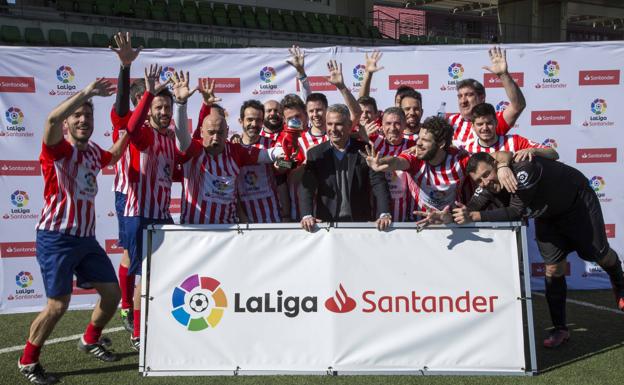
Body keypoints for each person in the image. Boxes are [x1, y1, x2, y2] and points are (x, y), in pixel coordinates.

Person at [18, 79, 128, 384]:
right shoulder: (57, 149)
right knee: (57, 304)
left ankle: (90, 339)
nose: (83, 120)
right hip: (56, 238)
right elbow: (51, 119)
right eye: (77, 115)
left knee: (112, 293)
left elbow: (114, 155)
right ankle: (28, 361)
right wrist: (88, 93)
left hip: (85, 239)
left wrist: (132, 125)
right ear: (68, 122)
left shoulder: (93, 152)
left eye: (88, 116)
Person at [454, 152, 624, 347]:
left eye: (486, 174)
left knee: (600, 256)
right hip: (547, 216)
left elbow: (515, 212)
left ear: (496, 165)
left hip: (577, 204)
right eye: (479, 180)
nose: (484, 182)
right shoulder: (487, 185)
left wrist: (475, 216)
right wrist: (448, 217)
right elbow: (470, 207)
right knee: (553, 268)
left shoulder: (522, 170)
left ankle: (620, 284)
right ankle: (560, 329)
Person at [121, 64, 187, 350]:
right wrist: (148, 93)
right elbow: (131, 128)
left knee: (167, 270)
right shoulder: (145, 134)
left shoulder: (169, 138)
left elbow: (175, 168)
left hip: (162, 214)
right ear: (148, 109)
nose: (163, 112)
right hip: (140, 214)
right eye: (158, 107)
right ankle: (137, 333)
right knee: (144, 276)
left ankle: (152, 322)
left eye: (166, 108)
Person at [362, 116, 515, 225]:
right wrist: (380, 162)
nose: (419, 143)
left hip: (451, 224)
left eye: (425, 140)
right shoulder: (415, 158)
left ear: (441, 144)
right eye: (419, 138)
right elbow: (396, 161)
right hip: (419, 223)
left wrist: (502, 166)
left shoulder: (460, 160)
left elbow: (504, 154)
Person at [300, 104, 391, 231]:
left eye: (338, 124)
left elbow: (378, 183)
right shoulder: (315, 154)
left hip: (359, 223)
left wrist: (384, 213)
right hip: (327, 226)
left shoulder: (365, 150)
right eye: (330, 124)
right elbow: (307, 187)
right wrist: (307, 215)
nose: (333, 129)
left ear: (349, 125)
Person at [108, 31, 142, 334]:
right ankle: (128, 308)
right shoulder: (124, 119)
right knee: (132, 253)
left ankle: (133, 306)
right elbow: (120, 103)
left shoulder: (162, 123)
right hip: (127, 194)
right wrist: (125, 68)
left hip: (150, 198)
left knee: (139, 253)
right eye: (141, 98)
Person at [448, 46, 526, 146]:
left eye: (469, 95)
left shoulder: (493, 119)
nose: (463, 101)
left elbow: (518, 105)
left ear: (482, 97)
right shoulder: (450, 120)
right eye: (460, 96)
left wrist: (503, 75)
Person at [236, 99, 283, 223]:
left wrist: (281, 164)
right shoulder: (232, 147)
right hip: (245, 220)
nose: (254, 124)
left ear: (263, 122)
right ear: (241, 121)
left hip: (272, 217)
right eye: (250, 119)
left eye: (258, 120)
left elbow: (289, 166)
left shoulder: (272, 144)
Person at [463, 103, 558, 160]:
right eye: (480, 124)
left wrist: (532, 150)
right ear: (473, 126)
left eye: (489, 123)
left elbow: (553, 153)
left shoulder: (514, 141)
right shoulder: (467, 149)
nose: (485, 128)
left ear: (496, 122)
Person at [367, 107, 415, 221]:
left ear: (404, 125)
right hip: (377, 217)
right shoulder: (372, 143)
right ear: (382, 125)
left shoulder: (414, 145)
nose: (392, 128)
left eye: (397, 123)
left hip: (406, 218)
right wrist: (362, 135)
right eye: (388, 123)